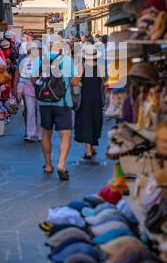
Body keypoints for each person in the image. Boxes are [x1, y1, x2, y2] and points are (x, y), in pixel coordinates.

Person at [31, 35, 80, 181]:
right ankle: (61, 164)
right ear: (59, 46)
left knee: (46, 133)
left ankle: (48, 165)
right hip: (63, 103)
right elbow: (76, 81)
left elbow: (33, 80)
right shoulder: (66, 60)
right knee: (65, 134)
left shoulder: (39, 60)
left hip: (44, 103)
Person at [74, 44, 103, 159]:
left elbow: (75, 82)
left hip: (84, 99)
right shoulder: (100, 67)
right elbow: (104, 84)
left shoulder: (82, 67)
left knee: (85, 122)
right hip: (97, 99)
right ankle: (91, 148)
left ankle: (89, 151)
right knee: (95, 121)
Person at [14, 41, 42, 142]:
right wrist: (18, 90)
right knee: (30, 111)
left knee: (40, 113)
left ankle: (40, 134)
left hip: (40, 89)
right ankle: (30, 133)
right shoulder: (23, 60)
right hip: (28, 89)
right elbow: (21, 76)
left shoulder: (42, 60)